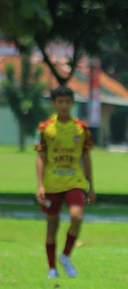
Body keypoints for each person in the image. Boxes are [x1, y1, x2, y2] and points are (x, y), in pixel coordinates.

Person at [35, 85, 96, 279]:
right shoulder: (45, 128)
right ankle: (52, 268)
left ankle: (65, 256)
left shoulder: (81, 128)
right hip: (52, 182)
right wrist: (40, 185)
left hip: (74, 181)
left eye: (67, 102)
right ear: (53, 103)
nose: (63, 105)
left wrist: (91, 185)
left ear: (72, 103)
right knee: (52, 225)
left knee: (77, 217)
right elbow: (41, 156)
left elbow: (85, 156)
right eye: (59, 102)